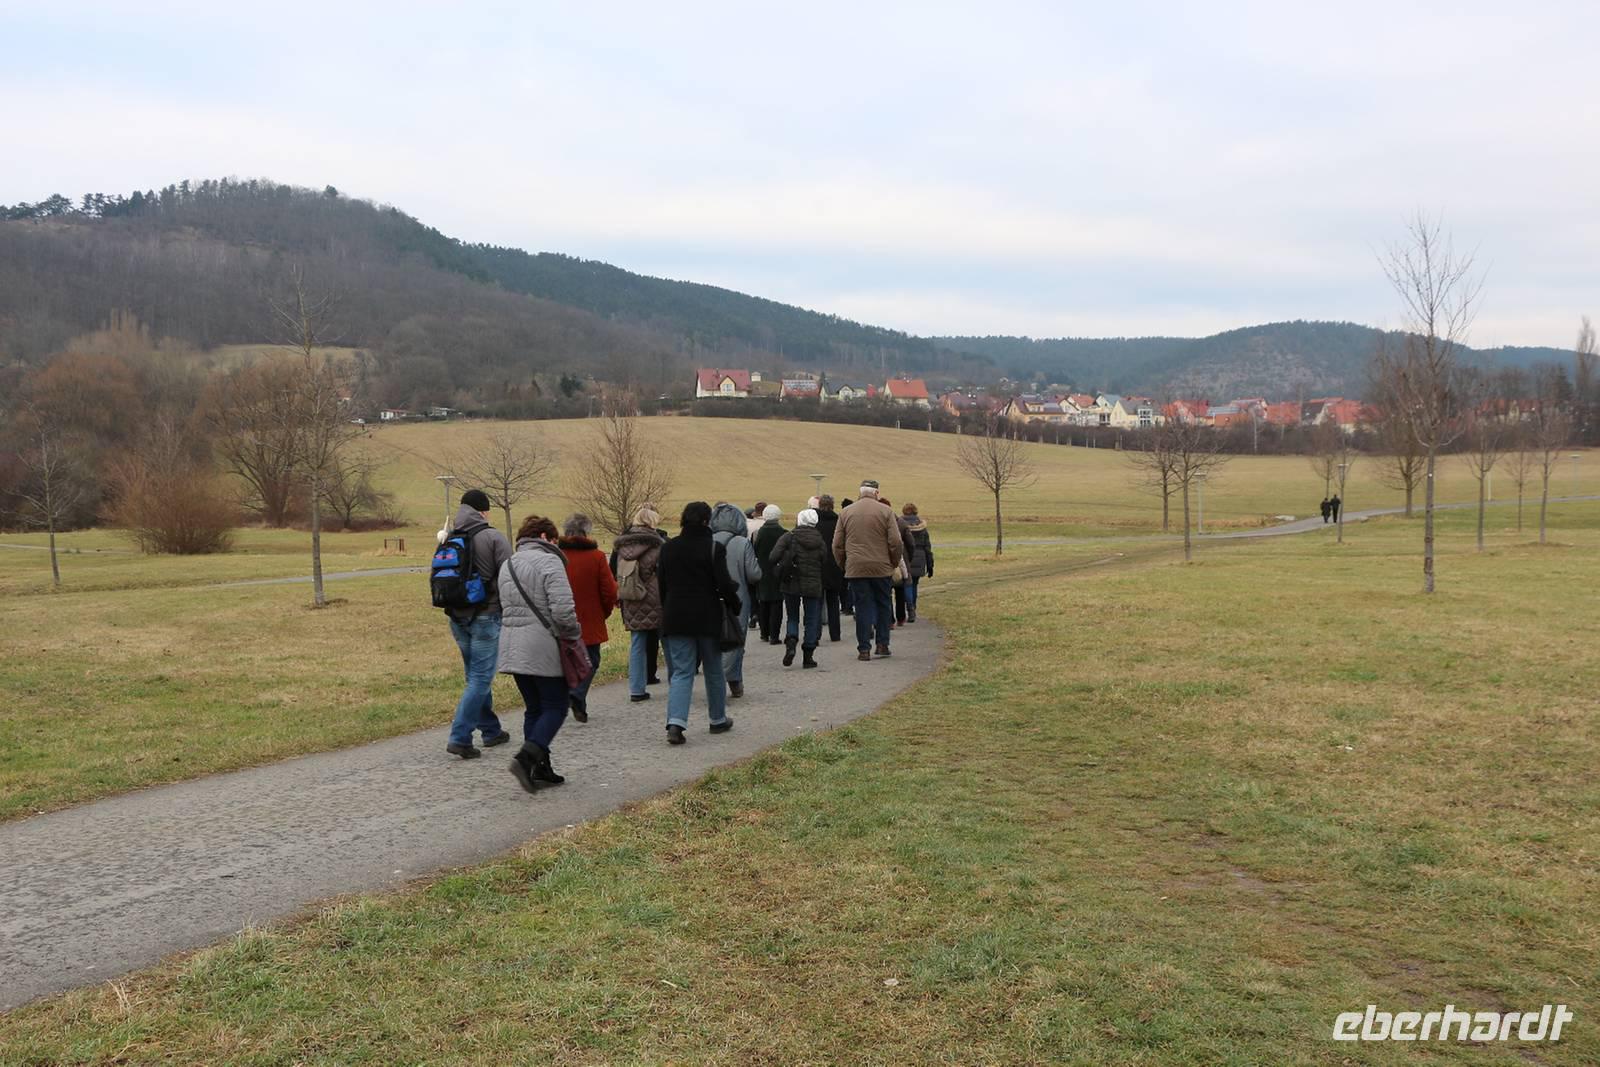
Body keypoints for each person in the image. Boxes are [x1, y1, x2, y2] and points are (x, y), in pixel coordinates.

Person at [496, 514, 582, 792]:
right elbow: (563, 610)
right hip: (542, 645)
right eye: (555, 540)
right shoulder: (550, 561)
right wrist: (573, 636)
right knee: (556, 706)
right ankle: (526, 758)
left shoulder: (507, 564)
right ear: (545, 537)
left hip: (512, 645)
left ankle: (540, 768)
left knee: (534, 707)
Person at [658, 501, 743, 744]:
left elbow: (662, 585)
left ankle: (675, 723)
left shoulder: (668, 548)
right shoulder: (713, 548)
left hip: (676, 616)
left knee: (682, 672)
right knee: (713, 669)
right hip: (707, 616)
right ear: (707, 521)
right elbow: (724, 584)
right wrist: (735, 605)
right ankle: (717, 719)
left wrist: (668, 609)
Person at [444, 489, 514, 759]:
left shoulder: (450, 536)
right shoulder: (493, 536)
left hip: (456, 616)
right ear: (483, 511)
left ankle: (490, 730)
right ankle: (460, 737)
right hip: (486, 614)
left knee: (475, 676)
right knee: (481, 678)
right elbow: (509, 576)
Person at [832, 480, 902, 661]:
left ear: (860, 492)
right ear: (876, 493)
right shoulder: (886, 512)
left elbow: (837, 544)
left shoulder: (846, 512)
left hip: (856, 567)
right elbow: (895, 541)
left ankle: (864, 649)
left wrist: (844, 564)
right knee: (883, 605)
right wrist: (893, 562)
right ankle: (882, 644)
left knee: (862, 607)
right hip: (881, 567)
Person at [558, 513, 617, 723]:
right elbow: (610, 591)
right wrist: (604, 612)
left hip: (561, 618)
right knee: (591, 661)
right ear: (586, 532)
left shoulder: (557, 556)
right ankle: (576, 694)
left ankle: (578, 704)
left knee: (566, 662)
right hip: (590, 618)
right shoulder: (597, 557)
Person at [610, 507, 666, 703]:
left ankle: (636, 689)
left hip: (631, 596)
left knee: (637, 644)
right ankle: (678, 682)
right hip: (654, 597)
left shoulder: (622, 547)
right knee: (667, 640)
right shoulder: (658, 545)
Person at [710, 501, 762, 698]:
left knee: (713, 641)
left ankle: (728, 680)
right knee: (735, 641)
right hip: (737, 600)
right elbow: (754, 574)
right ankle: (729, 681)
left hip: (710, 599)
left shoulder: (708, 541)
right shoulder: (742, 543)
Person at [770, 507, 827, 668]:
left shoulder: (788, 537)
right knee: (811, 619)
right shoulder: (819, 540)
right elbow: (824, 559)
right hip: (813, 582)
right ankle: (808, 656)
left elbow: (773, 556)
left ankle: (791, 640)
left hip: (791, 580)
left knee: (793, 616)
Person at [752, 504, 787, 645]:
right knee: (777, 603)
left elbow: (754, 551)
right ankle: (774, 635)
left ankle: (764, 633)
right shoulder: (784, 533)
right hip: (778, 572)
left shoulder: (757, 533)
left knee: (763, 602)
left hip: (762, 571)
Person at [813, 494, 845, 642]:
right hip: (834, 565)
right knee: (833, 601)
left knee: (817, 602)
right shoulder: (838, 521)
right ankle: (835, 633)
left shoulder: (814, 522)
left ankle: (816, 633)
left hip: (818, 564)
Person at [884, 496, 916, 627]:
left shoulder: (880, 523)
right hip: (900, 560)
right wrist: (908, 557)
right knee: (900, 590)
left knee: (887, 594)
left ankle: (890, 620)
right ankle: (901, 617)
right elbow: (910, 544)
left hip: (885, 563)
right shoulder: (901, 523)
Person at [900, 503, 934, 623]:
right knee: (914, 584)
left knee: (907, 584)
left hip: (906, 556)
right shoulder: (922, 526)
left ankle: (909, 608)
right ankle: (913, 607)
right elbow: (927, 547)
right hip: (920, 557)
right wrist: (930, 565)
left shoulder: (900, 524)